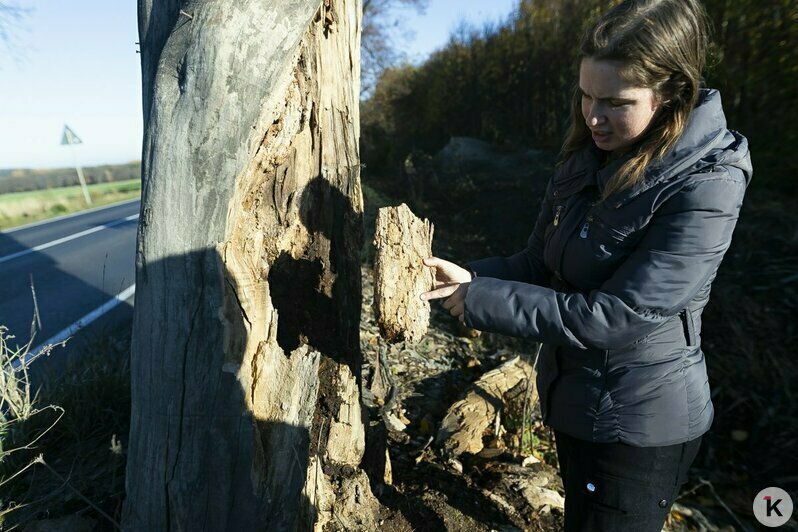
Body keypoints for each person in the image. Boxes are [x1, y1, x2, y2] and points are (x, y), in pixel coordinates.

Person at [420, 1, 751, 530]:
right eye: (586, 95)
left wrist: (478, 300)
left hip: (640, 429)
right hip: (575, 402)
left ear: (671, 95)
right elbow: (537, 261)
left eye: (615, 102)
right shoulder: (587, 157)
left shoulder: (707, 183)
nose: (592, 116)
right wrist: (462, 276)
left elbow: (618, 315)